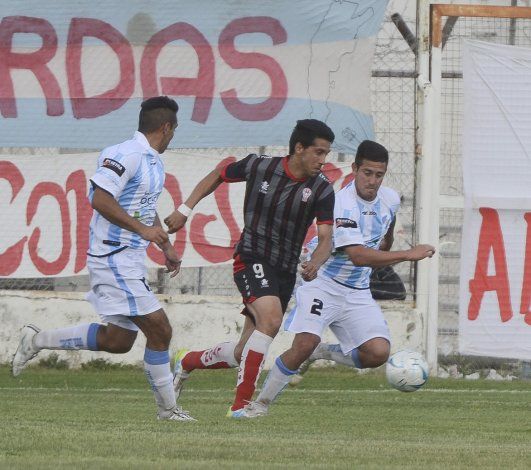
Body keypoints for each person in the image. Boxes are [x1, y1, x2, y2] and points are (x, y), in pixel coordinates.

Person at [11, 96, 195, 421]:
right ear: (166, 127)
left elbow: (142, 205)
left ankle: (36, 339)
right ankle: (168, 410)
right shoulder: (125, 153)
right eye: (175, 130)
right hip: (112, 257)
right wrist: (142, 230)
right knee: (160, 330)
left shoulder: (152, 161)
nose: (173, 136)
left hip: (129, 259)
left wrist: (164, 245)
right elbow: (99, 198)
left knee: (118, 341)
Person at [242, 140, 435, 417]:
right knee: (303, 343)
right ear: (355, 169)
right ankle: (259, 405)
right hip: (322, 281)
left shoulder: (389, 198)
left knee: (377, 353)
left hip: (356, 290)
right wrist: (408, 254)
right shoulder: (342, 204)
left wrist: (387, 245)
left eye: (379, 175)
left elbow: (387, 224)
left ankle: (322, 353)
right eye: (367, 173)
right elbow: (357, 255)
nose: (372, 180)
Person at [164, 119, 336, 418]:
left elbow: (326, 239)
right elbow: (219, 173)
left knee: (243, 353)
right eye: (318, 152)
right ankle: (241, 407)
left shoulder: (321, 189)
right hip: (251, 258)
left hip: (283, 272)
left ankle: (188, 361)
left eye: (326, 154)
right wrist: (185, 209)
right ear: (299, 148)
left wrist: (316, 261)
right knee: (270, 320)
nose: (323, 160)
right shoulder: (260, 167)